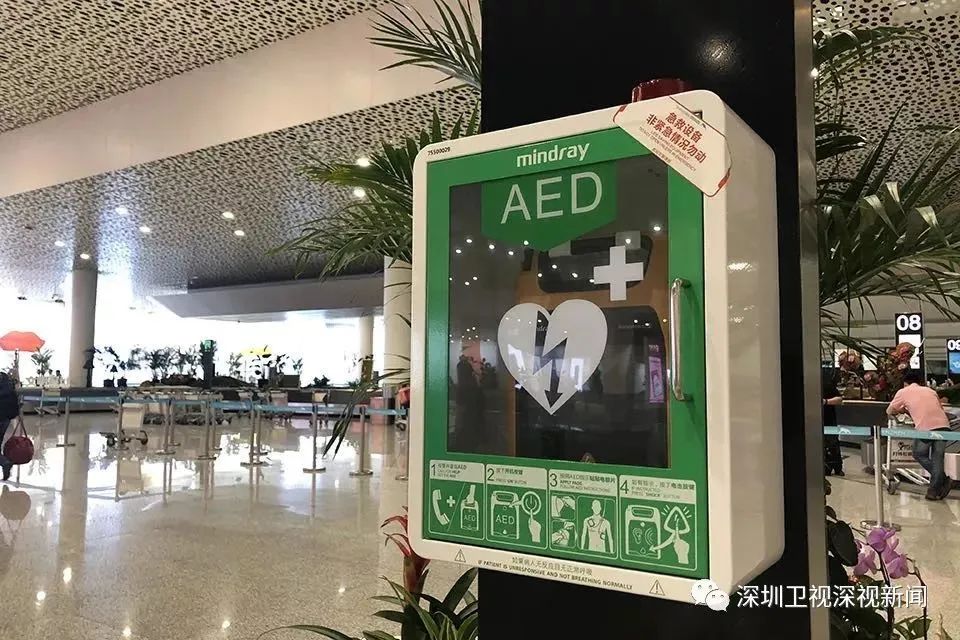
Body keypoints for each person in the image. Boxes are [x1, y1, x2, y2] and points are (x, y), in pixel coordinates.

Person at [887, 370, 952, 501]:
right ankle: (933, 491)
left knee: (918, 453)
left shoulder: (903, 392)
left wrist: (902, 410)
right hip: (944, 426)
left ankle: (944, 480)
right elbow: (937, 408)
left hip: (926, 427)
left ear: (905, 383)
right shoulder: (930, 391)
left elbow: (889, 410)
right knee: (937, 458)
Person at [822, 367, 844, 476]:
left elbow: (839, 399)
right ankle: (826, 467)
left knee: (833, 443)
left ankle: (837, 467)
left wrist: (825, 402)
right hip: (815, 420)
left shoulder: (827, 384)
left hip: (829, 420)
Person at [0, 372, 19, 481]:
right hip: (5, 420)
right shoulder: (9, 388)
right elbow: (15, 405)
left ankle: (5, 462)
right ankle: (4, 464)